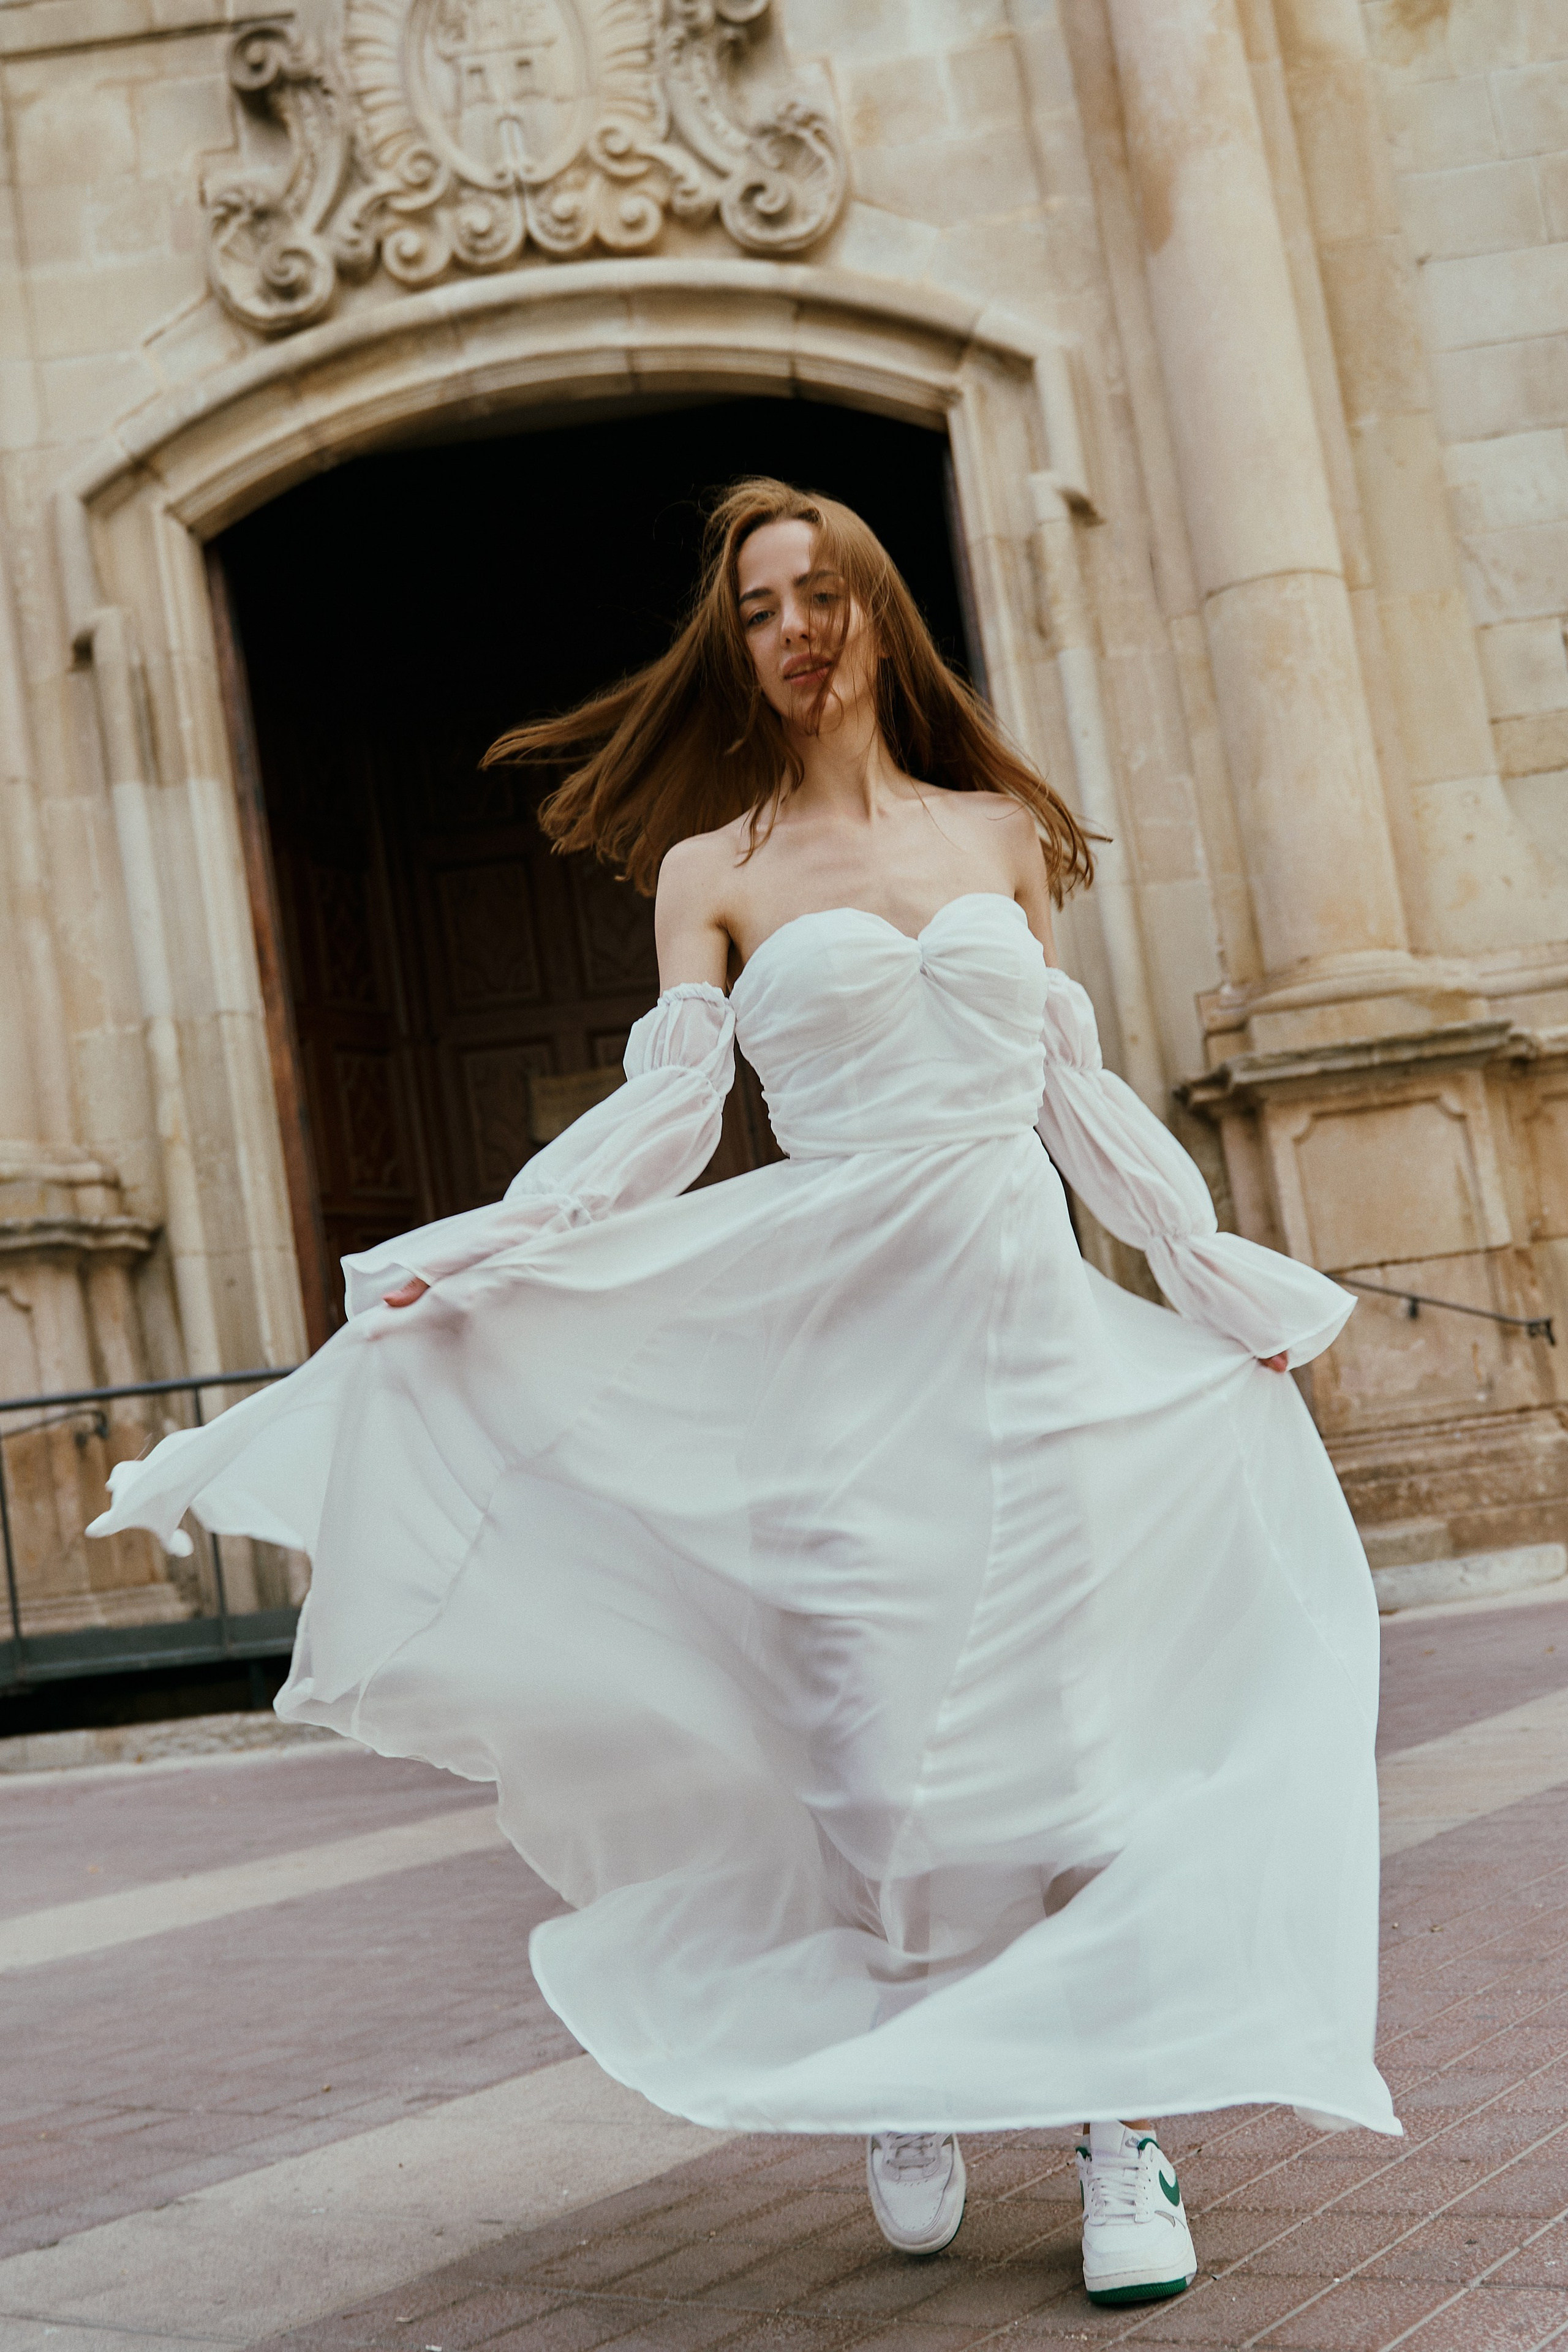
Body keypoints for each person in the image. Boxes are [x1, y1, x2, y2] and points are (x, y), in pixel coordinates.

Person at [91, 478, 1399, 2307]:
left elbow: (1080, 1103)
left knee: (1078, 1748)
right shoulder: (712, 871)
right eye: (763, 605)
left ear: (880, 614)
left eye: (824, 593)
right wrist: (487, 1254)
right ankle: (911, 2072)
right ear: (736, 642)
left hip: (1027, 1348)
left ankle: (1120, 2133)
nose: (796, 629)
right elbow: (665, 1128)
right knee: (865, 1758)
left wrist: (1212, 1280)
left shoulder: (1001, 832)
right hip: (834, 1366)